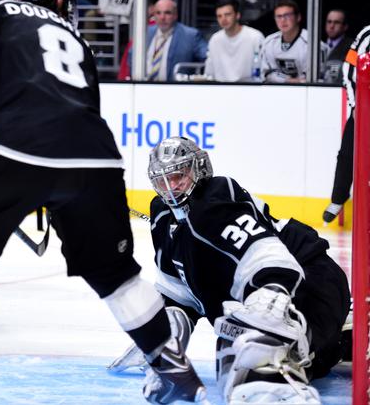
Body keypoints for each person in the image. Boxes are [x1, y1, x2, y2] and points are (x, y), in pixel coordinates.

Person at [0, 0, 206, 404]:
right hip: (97, 160)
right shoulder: (78, 43)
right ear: (61, 4)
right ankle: (179, 375)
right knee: (116, 275)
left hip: (18, 146)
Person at [110, 137, 350, 404]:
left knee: (253, 358)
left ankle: (315, 340)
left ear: (198, 169)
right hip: (280, 289)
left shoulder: (215, 200)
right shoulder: (164, 217)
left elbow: (270, 260)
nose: (171, 187)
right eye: (161, 181)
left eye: (177, 176)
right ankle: (341, 339)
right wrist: (161, 344)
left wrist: (269, 316)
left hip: (311, 281)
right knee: (233, 351)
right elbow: (179, 295)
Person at [322, 24, 370, 223]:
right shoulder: (367, 34)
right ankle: (338, 198)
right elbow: (349, 68)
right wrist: (357, 105)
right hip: (364, 107)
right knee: (348, 153)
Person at [146, 0, 208, 81]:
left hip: (176, 90)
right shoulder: (145, 33)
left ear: (175, 15)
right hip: (144, 88)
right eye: (158, 13)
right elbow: (131, 59)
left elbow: (208, 58)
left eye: (167, 13)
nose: (162, 17)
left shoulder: (191, 36)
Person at [204, 0, 264, 82]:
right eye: (219, 16)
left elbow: (261, 71)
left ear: (237, 15)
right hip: (220, 89)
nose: (223, 19)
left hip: (248, 89)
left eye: (227, 14)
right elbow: (209, 73)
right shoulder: (215, 40)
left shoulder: (255, 37)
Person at [261, 0, 309, 83]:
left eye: (287, 15)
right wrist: (289, 80)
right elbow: (267, 73)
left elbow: (313, 77)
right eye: (279, 16)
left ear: (298, 17)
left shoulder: (311, 43)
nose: (283, 20)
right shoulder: (269, 42)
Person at [320, 9, 353, 84]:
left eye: (336, 22)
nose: (331, 26)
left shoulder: (352, 47)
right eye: (329, 22)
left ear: (345, 26)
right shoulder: (317, 44)